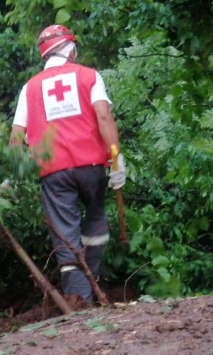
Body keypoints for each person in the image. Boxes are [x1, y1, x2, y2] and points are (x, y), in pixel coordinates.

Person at [10, 24, 127, 304]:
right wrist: (116, 157)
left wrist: (14, 175)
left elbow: (16, 137)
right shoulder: (89, 76)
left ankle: (80, 301)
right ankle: (94, 283)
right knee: (96, 219)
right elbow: (103, 116)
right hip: (91, 166)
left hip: (53, 172)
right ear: (71, 49)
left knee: (65, 235)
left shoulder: (30, 88)